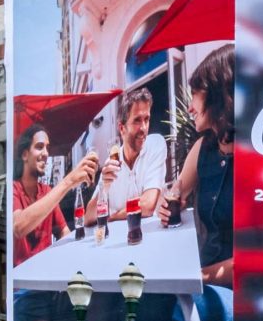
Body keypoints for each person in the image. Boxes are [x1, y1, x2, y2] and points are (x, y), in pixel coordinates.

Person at [158, 45, 235, 321]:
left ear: (218, 94)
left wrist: (198, 276)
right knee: (148, 301)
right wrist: (167, 206)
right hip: (203, 278)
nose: (190, 106)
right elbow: (176, 191)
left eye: (196, 94)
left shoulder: (258, 153)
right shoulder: (203, 147)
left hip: (240, 293)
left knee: (177, 317)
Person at [12, 126, 99, 263]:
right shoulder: (13, 189)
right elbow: (19, 227)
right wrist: (69, 181)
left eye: (47, 147)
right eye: (39, 147)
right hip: (21, 279)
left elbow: (64, 233)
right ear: (24, 155)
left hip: (46, 274)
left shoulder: (46, 191)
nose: (46, 153)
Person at [91, 87, 168, 227]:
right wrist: (104, 187)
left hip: (152, 237)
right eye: (137, 120)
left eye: (147, 119)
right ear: (122, 129)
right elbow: (88, 217)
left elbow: (147, 204)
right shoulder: (112, 163)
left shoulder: (156, 144)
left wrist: (113, 217)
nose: (144, 128)